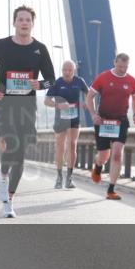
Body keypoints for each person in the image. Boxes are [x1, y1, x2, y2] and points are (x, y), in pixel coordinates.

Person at [0, 6, 55, 218]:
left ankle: (9, 200)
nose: (24, 23)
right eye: (20, 19)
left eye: (27, 20)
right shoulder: (1, 45)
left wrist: (39, 84)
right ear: (14, 23)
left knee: (20, 156)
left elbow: (51, 78)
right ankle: (3, 176)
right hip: (5, 104)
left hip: (26, 106)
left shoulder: (40, 49)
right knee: (11, 144)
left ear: (32, 24)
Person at [86, 53, 135, 201]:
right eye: (120, 66)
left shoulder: (131, 81)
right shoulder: (103, 77)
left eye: (126, 67)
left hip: (121, 121)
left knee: (117, 154)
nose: (123, 69)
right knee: (104, 156)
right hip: (103, 120)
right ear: (114, 62)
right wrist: (93, 115)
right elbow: (89, 97)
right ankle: (98, 166)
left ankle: (111, 189)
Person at [44, 60, 89, 190]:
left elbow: (89, 92)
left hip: (74, 118)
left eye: (70, 70)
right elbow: (47, 101)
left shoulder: (79, 81)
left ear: (74, 71)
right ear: (62, 70)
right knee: (60, 147)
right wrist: (58, 105)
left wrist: (87, 101)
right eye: (65, 70)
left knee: (72, 145)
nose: (67, 72)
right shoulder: (57, 83)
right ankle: (59, 177)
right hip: (60, 119)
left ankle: (69, 178)